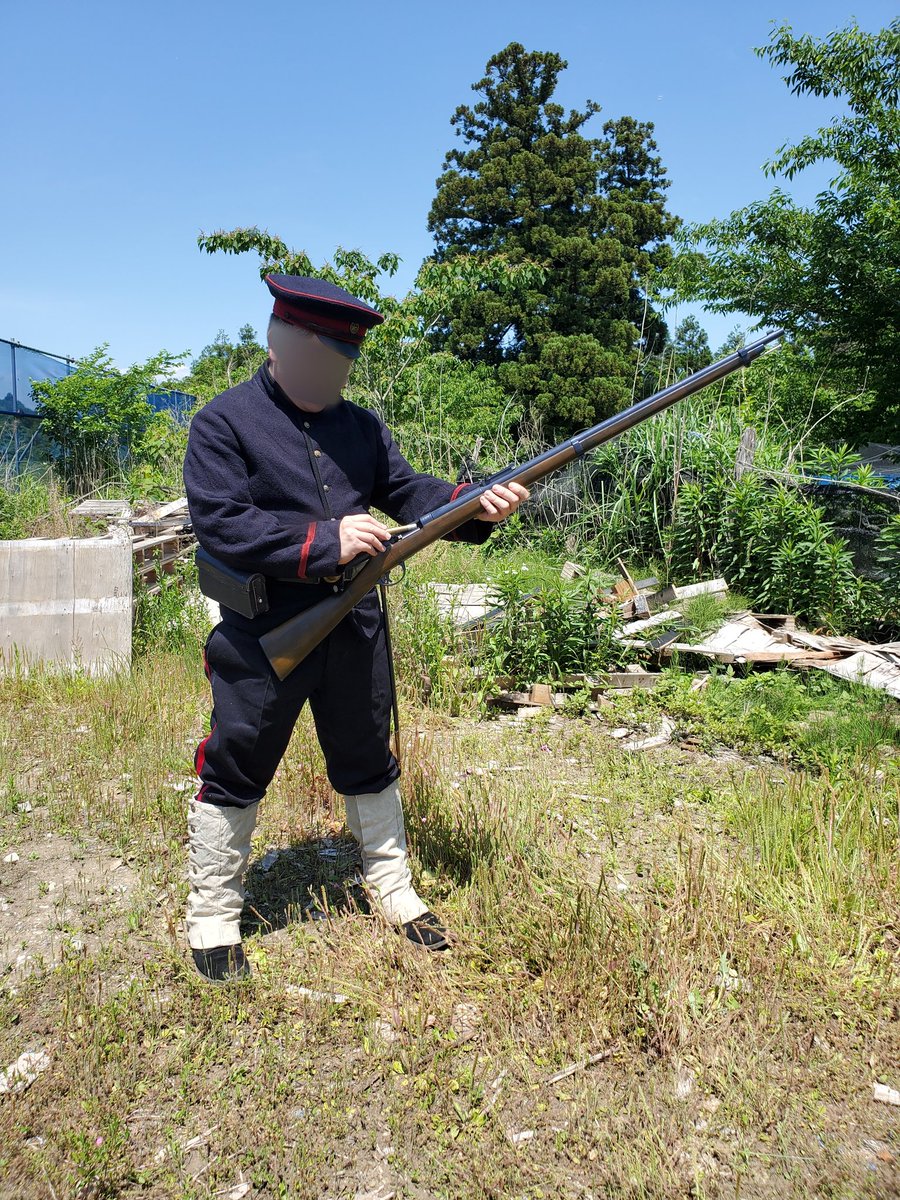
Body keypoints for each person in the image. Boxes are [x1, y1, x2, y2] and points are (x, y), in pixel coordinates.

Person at [183, 273, 529, 982]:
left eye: (343, 362)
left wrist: (473, 503)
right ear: (279, 342)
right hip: (263, 629)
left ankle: (393, 889)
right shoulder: (223, 422)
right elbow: (222, 523)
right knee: (239, 758)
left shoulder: (361, 427)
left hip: (353, 625)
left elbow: (410, 493)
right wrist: (322, 542)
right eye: (322, 358)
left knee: (369, 752)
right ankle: (215, 912)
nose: (333, 372)